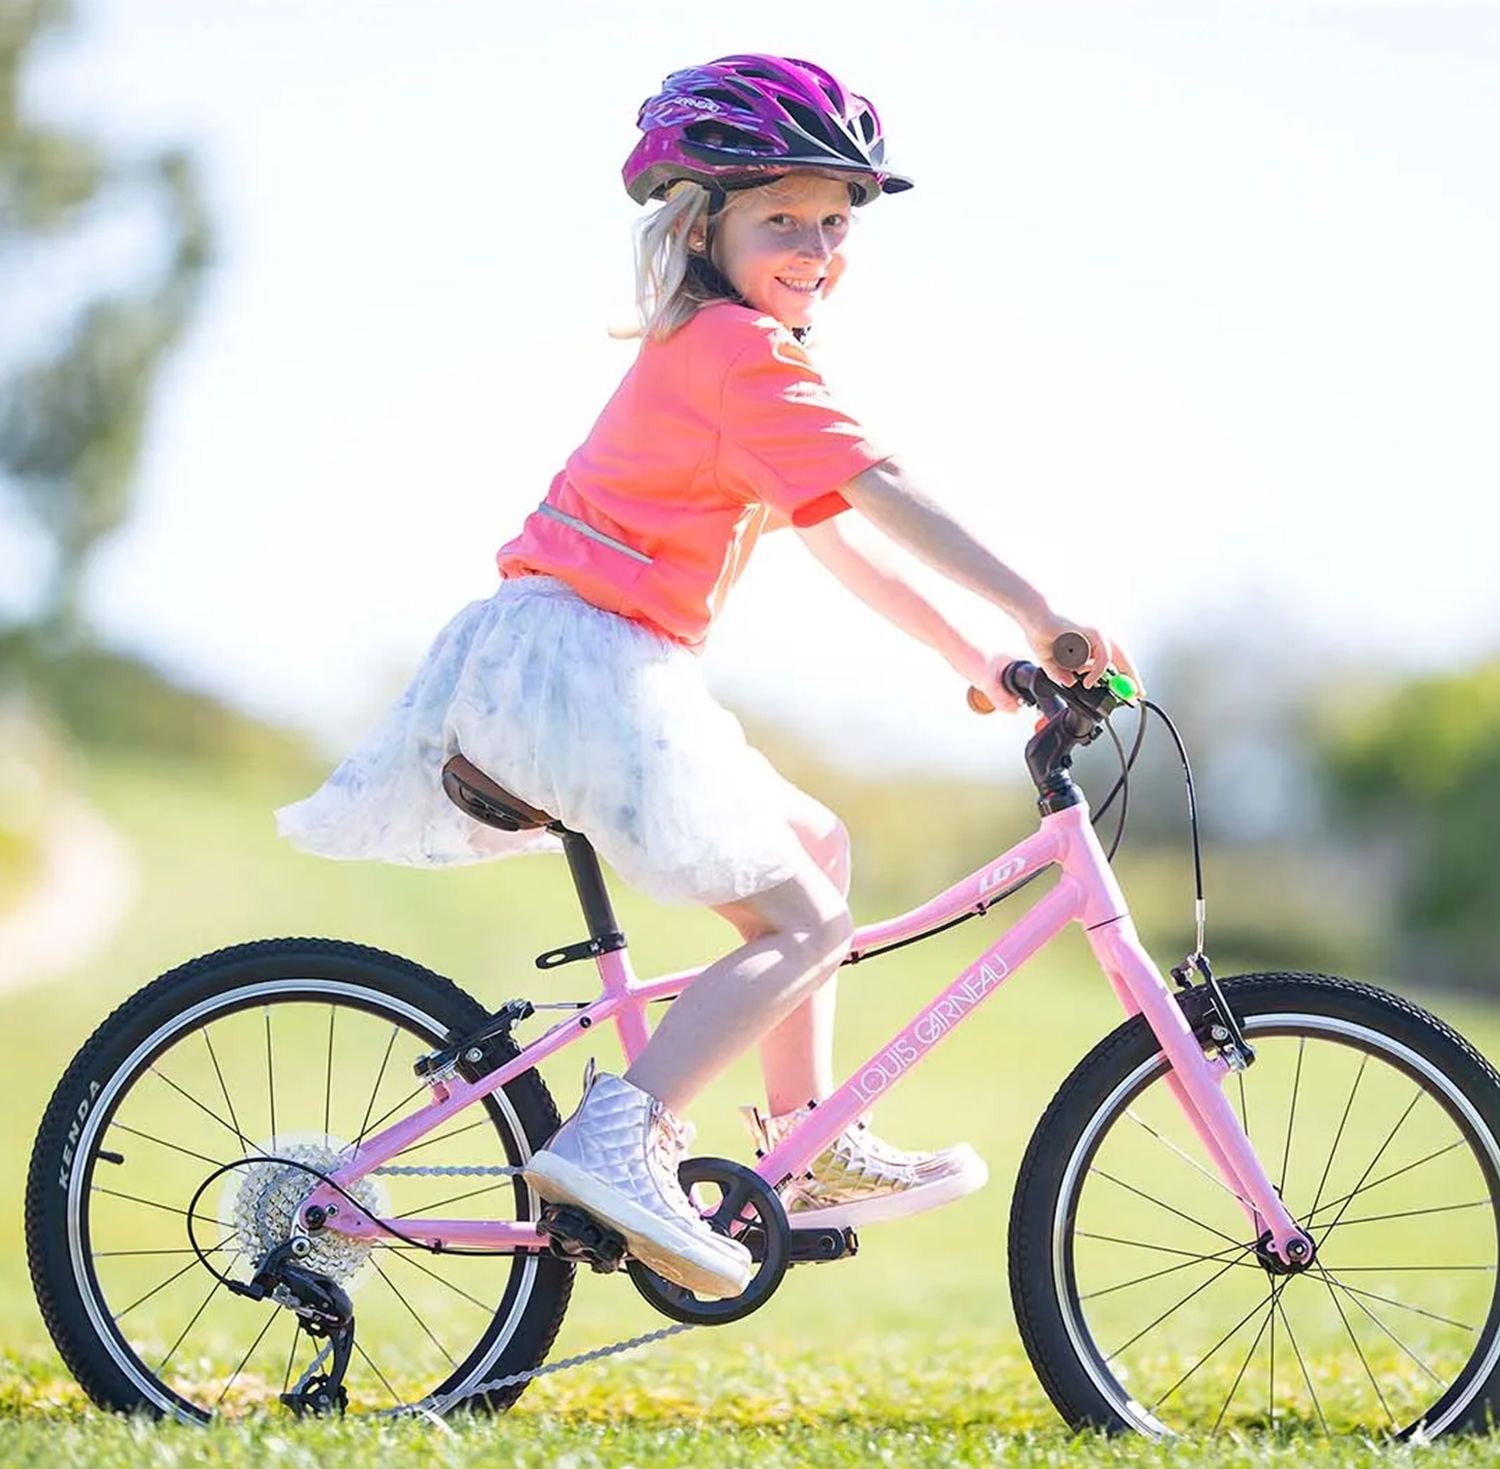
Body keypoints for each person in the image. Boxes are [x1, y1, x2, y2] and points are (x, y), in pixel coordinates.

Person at [277, 53, 1139, 1301]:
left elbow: (843, 536)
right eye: (781, 216)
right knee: (804, 923)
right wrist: (1043, 609)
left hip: (581, 661)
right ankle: (621, 1137)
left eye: (835, 222)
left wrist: (982, 657)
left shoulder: (732, 356)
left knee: (819, 848)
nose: (816, 246)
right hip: (584, 662)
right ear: (702, 225)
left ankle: (807, 1148)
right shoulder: (740, 355)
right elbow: (886, 493)